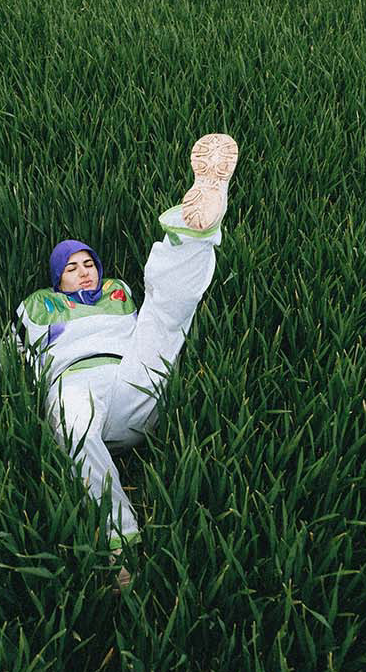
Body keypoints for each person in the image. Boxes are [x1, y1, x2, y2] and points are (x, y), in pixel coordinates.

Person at [12, 134, 239, 590]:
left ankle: (193, 231)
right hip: (75, 382)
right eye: (72, 267)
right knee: (74, 426)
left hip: (131, 381)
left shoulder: (117, 292)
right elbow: (20, 353)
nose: (84, 271)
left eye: (89, 263)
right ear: (57, 278)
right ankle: (120, 543)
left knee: (162, 318)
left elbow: (144, 326)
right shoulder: (38, 305)